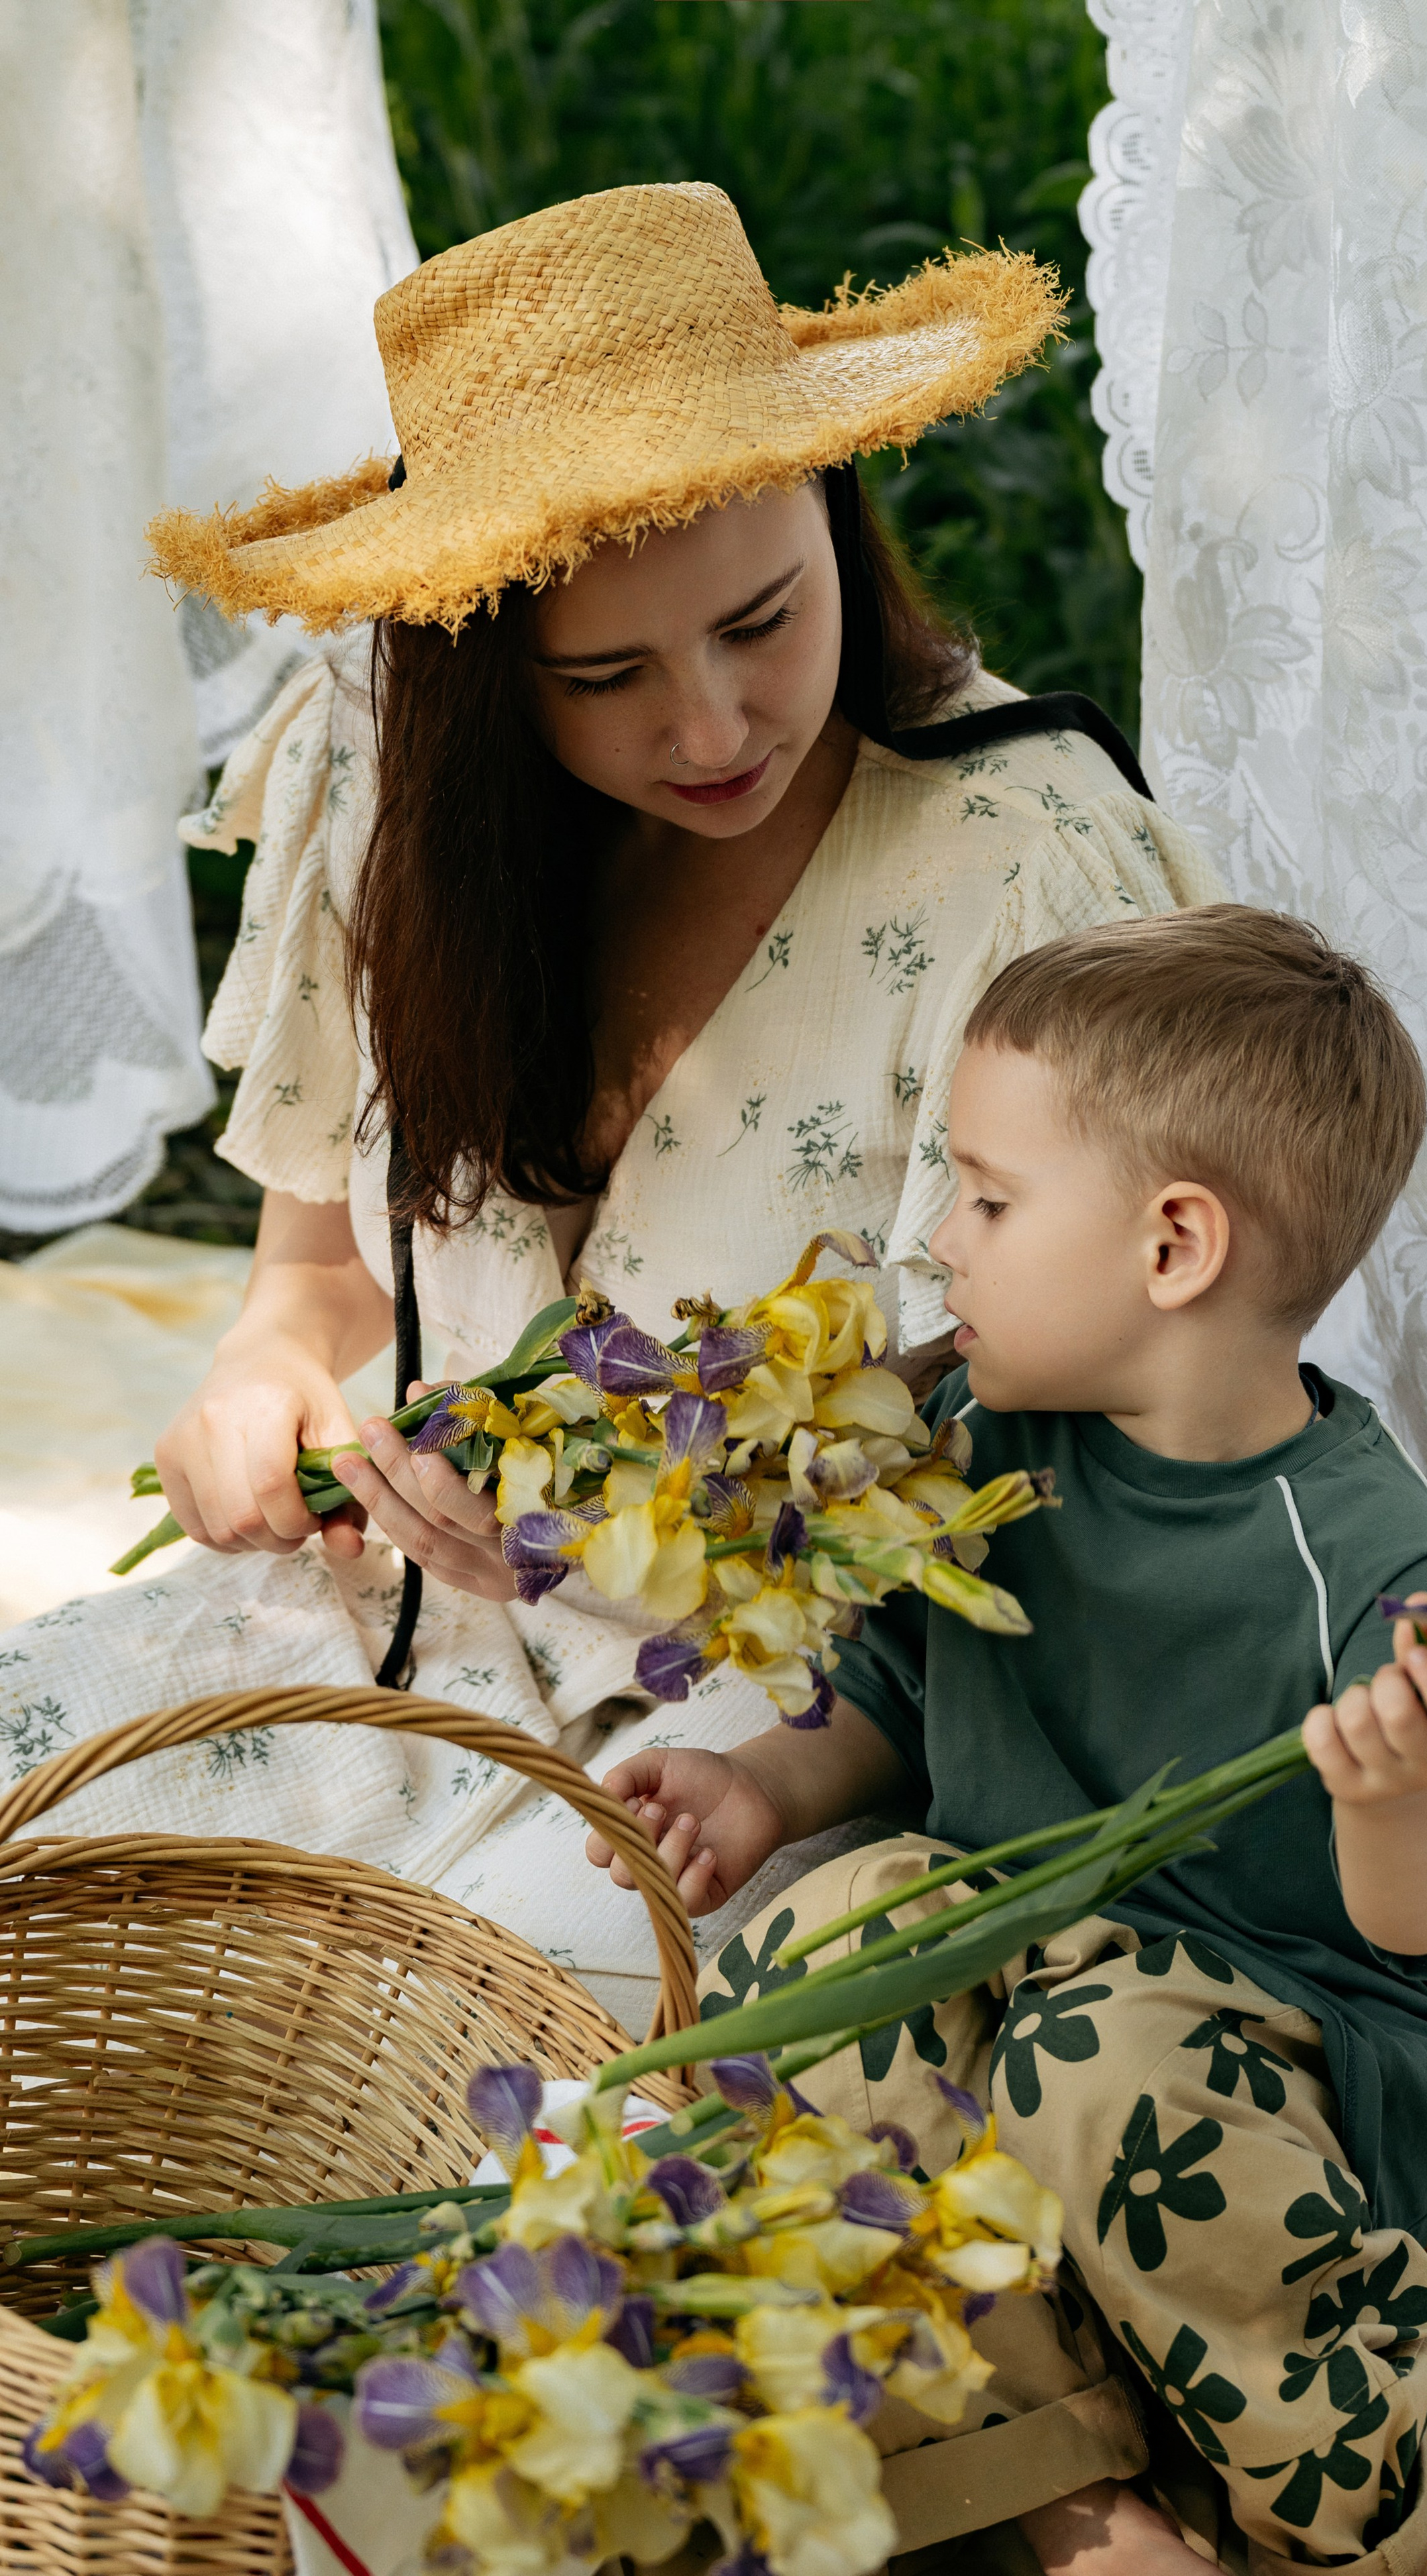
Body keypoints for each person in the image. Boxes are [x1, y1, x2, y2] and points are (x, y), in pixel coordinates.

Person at [0, 182, 1212, 2027]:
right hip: (407, 1641)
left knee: (387, 2052)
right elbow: (316, 1286)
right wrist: (263, 1393)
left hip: (783, 1743)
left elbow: (1109, 1495)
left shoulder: (1020, 870)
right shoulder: (394, 784)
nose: (716, 726)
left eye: (762, 621)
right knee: (55, 1892)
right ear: (480, 671)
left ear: (837, 514)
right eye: (607, 677)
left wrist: (650, 1534)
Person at [585, 908, 1427, 2573]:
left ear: (1171, 1247)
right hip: (1030, 1985)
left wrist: (1394, 1796)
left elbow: (1419, 1927)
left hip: (1275, 2050)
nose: (939, 1243)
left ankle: (1406, 2506)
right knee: (827, 1955)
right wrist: (762, 1787)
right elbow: (899, 1693)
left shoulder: (1362, 1552)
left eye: (984, 1196)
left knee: (1097, 2065)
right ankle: (1081, 2463)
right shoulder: (982, 1439)